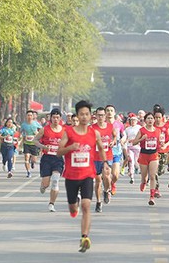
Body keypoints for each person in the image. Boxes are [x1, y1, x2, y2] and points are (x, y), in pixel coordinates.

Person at [56, 100, 103, 253]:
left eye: (87, 114)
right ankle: (72, 206)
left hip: (87, 175)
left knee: (86, 205)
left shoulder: (94, 133)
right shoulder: (68, 132)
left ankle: (85, 237)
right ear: (77, 115)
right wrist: (70, 147)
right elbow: (59, 151)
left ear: (91, 116)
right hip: (71, 175)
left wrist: (105, 164)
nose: (84, 117)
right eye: (81, 114)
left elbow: (101, 148)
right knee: (73, 206)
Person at [128, 112, 167, 206]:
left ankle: (152, 197)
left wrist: (161, 144)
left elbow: (160, 142)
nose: (150, 120)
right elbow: (134, 143)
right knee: (144, 177)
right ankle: (143, 182)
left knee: (153, 176)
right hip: (144, 154)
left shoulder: (158, 131)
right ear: (145, 120)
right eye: (148, 118)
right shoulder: (142, 130)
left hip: (154, 155)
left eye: (151, 118)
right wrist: (142, 139)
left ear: (154, 120)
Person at [35, 109, 65, 212]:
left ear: (60, 118)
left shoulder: (64, 130)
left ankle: (51, 203)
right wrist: (43, 146)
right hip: (47, 158)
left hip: (58, 159)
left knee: (55, 181)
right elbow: (35, 140)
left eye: (57, 117)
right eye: (53, 117)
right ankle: (43, 186)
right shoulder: (45, 129)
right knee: (46, 183)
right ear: (50, 118)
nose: (55, 119)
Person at [89, 106, 115, 213]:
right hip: (95, 158)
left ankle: (106, 190)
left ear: (105, 116)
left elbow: (114, 136)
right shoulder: (92, 128)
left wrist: (113, 142)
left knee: (107, 176)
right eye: (98, 115)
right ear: (96, 116)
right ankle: (99, 201)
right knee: (98, 181)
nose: (100, 117)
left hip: (107, 156)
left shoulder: (110, 126)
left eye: (102, 115)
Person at [105, 105, 124, 195]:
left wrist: (122, 140)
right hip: (105, 153)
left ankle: (112, 183)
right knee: (106, 175)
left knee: (115, 175)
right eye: (107, 110)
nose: (109, 112)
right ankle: (107, 188)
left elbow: (124, 135)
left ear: (114, 112)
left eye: (111, 110)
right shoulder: (102, 124)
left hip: (116, 152)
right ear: (105, 113)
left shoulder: (119, 124)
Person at [20, 110, 43, 178]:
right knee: (26, 157)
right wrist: (23, 136)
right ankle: (28, 172)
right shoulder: (23, 125)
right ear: (26, 116)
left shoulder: (36, 123)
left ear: (33, 116)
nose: (29, 117)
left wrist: (37, 133)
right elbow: (21, 132)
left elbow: (42, 130)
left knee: (34, 160)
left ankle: (32, 162)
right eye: (28, 115)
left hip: (34, 144)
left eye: (31, 115)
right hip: (26, 143)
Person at [122, 113, 142, 184]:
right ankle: (132, 176)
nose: (133, 122)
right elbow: (125, 137)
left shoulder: (139, 128)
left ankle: (137, 168)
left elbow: (142, 136)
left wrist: (138, 140)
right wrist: (123, 142)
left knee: (136, 162)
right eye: (131, 120)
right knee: (131, 161)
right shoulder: (127, 129)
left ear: (136, 121)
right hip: (129, 147)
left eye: (134, 120)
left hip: (138, 147)